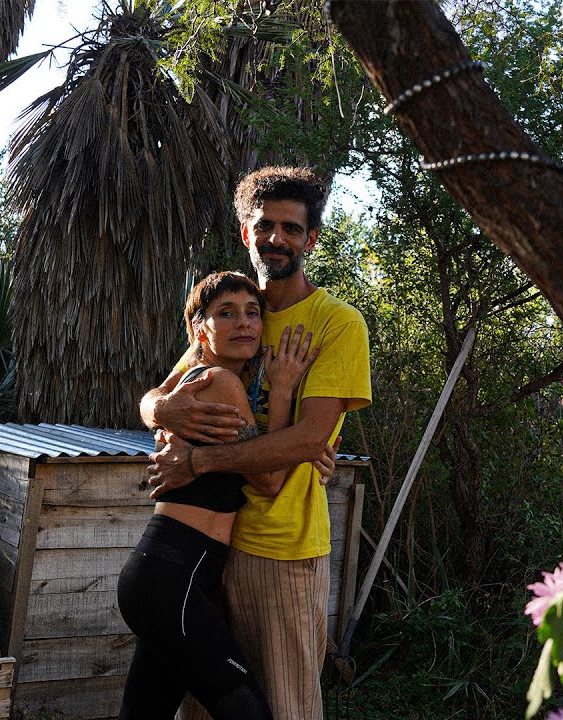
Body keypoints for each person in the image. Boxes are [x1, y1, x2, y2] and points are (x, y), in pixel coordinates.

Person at [139, 166, 372, 720]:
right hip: (208, 544)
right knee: (205, 708)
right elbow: (160, 397)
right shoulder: (236, 311)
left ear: (311, 239)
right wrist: (159, 410)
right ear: (246, 232)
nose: (276, 238)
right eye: (264, 225)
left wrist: (199, 460)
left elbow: (309, 440)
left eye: (292, 228)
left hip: (282, 549)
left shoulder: (337, 323)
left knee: (285, 705)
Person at [117, 271, 327, 720]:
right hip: (171, 580)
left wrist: (310, 449)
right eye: (226, 314)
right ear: (200, 330)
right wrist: (284, 391)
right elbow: (268, 479)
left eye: (253, 313)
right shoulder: (218, 382)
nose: (244, 322)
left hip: (163, 575)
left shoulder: (203, 381)